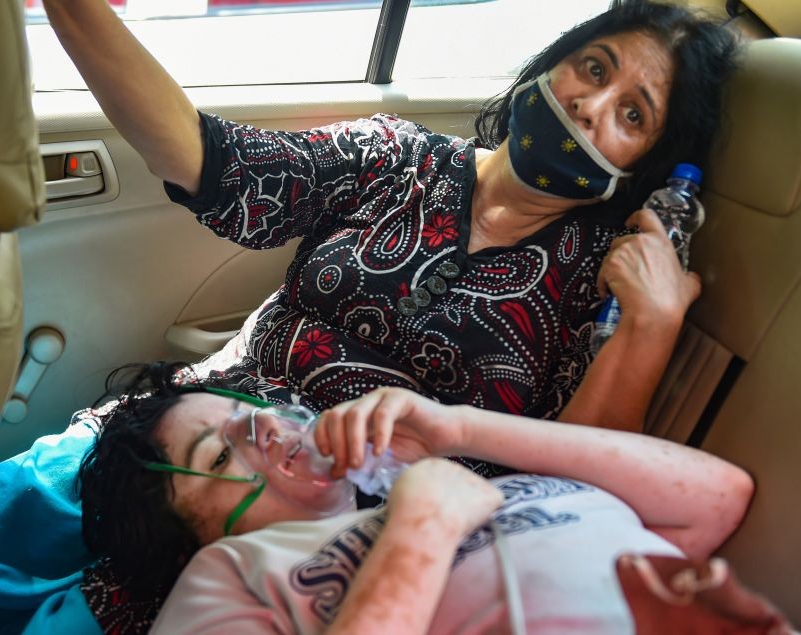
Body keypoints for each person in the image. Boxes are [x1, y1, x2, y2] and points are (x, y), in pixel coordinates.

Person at [42, 0, 741, 471]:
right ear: (555, 62)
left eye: (632, 114)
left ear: (642, 166)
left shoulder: (601, 277)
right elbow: (210, 162)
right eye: (594, 68)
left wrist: (651, 322)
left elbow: (573, 473)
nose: (590, 106)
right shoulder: (393, 156)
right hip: (191, 432)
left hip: (332, 531)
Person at [79, 362, 791, 634]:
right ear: (194, 539)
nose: (262, 426)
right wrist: (421, 529)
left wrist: (458, 428)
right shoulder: (225, 576)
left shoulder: (459, 480)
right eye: (219, 455)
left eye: (247, 412)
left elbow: (717, 497)